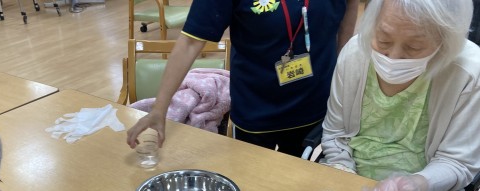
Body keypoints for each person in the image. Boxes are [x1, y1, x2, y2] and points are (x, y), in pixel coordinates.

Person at [126, 0, 360, 156]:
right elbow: (189, 42)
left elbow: (350, 6)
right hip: (255, 110)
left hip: (315, 107)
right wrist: (159, 109)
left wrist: (341, 64)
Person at [321, 0, 480, 191]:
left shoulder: (468, 73)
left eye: (414, 47)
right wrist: (345, 175)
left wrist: (416, 185)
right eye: (383, 39)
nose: (393, 57)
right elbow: (336, 133)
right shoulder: (355, 54)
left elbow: (456, 161)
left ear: (445, 40)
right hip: (349, 179)